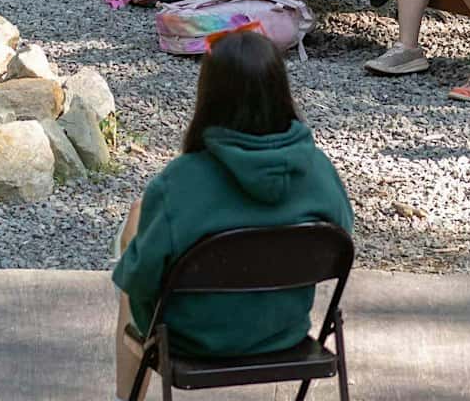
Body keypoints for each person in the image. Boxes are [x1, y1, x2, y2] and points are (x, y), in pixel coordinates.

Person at [111, 28, 352, 395]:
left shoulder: (180, 182)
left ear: (208, 97)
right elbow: (340, 244)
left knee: (135, 237)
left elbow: (142, 279)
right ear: (281, 90)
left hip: (193, 340)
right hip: (283, 333)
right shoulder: (319, 171)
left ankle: (126, 397)